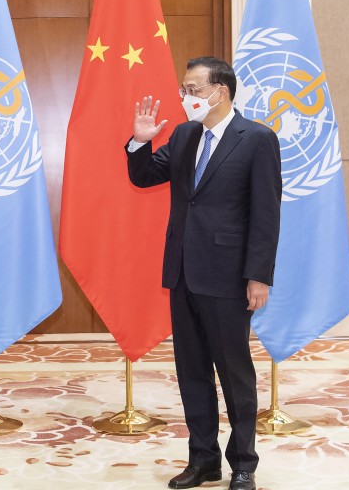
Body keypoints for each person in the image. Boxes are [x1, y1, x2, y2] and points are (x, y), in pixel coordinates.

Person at [126, 56, 281, 490]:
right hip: (183, 272)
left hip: (229, 276)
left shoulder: (257, 139)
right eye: (185, 90)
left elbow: (266, 214)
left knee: (234, 373)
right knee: (192, 372)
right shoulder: (184, 134)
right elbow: (145, 177)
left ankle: (243, 463)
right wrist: (139, 143)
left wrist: (258, 276)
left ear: (221, 91)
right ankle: (203, 460)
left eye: (193, 89)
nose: (186, 97)